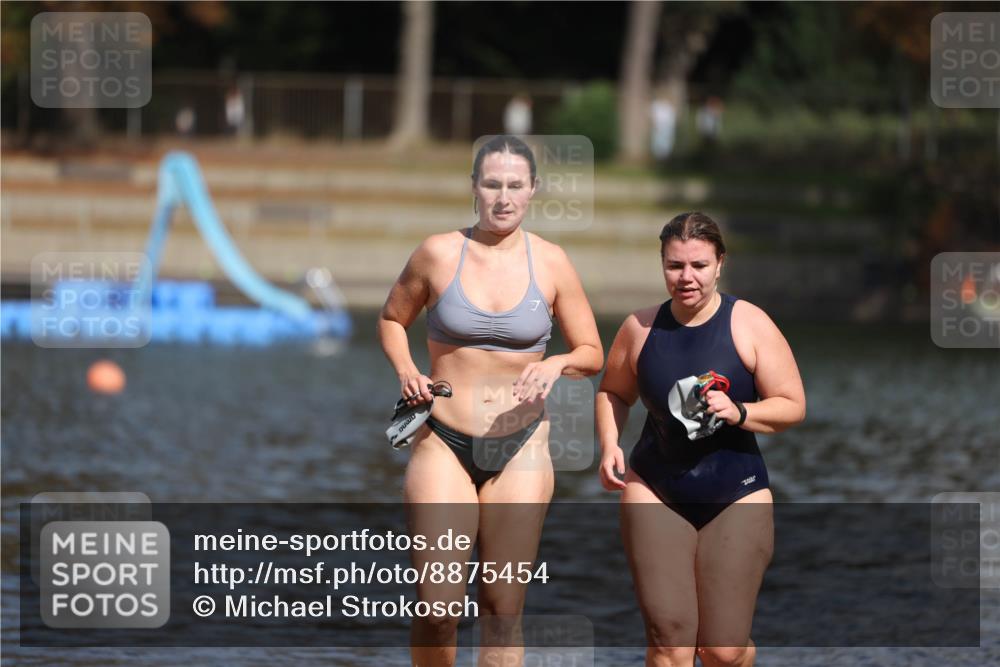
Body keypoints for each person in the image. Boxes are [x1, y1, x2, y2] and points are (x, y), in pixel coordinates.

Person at [378, 134, 603, 667]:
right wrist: (407, 368)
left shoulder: (551, 262)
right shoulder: (437, 252)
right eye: (492, 184)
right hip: (443, 441)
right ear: (474, 188)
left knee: (502, 608)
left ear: (533, 191)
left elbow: (592, 352)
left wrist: (553, 363)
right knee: (437, 607)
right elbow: (391, 319)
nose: (503, 197)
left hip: (521, 446)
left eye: (515, 186)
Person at [596, 212, 805, 667]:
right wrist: (610, 442)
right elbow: (613, 391)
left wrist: (743, 411)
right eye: (675, 266)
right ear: (662, 265)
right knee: (669, 641)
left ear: (719, 264)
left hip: (736, 491)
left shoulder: (749, 323)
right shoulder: (640, 328)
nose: (686, 277)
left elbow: (792, 404)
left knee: (722, 651)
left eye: (698, 265)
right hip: (654, 486)